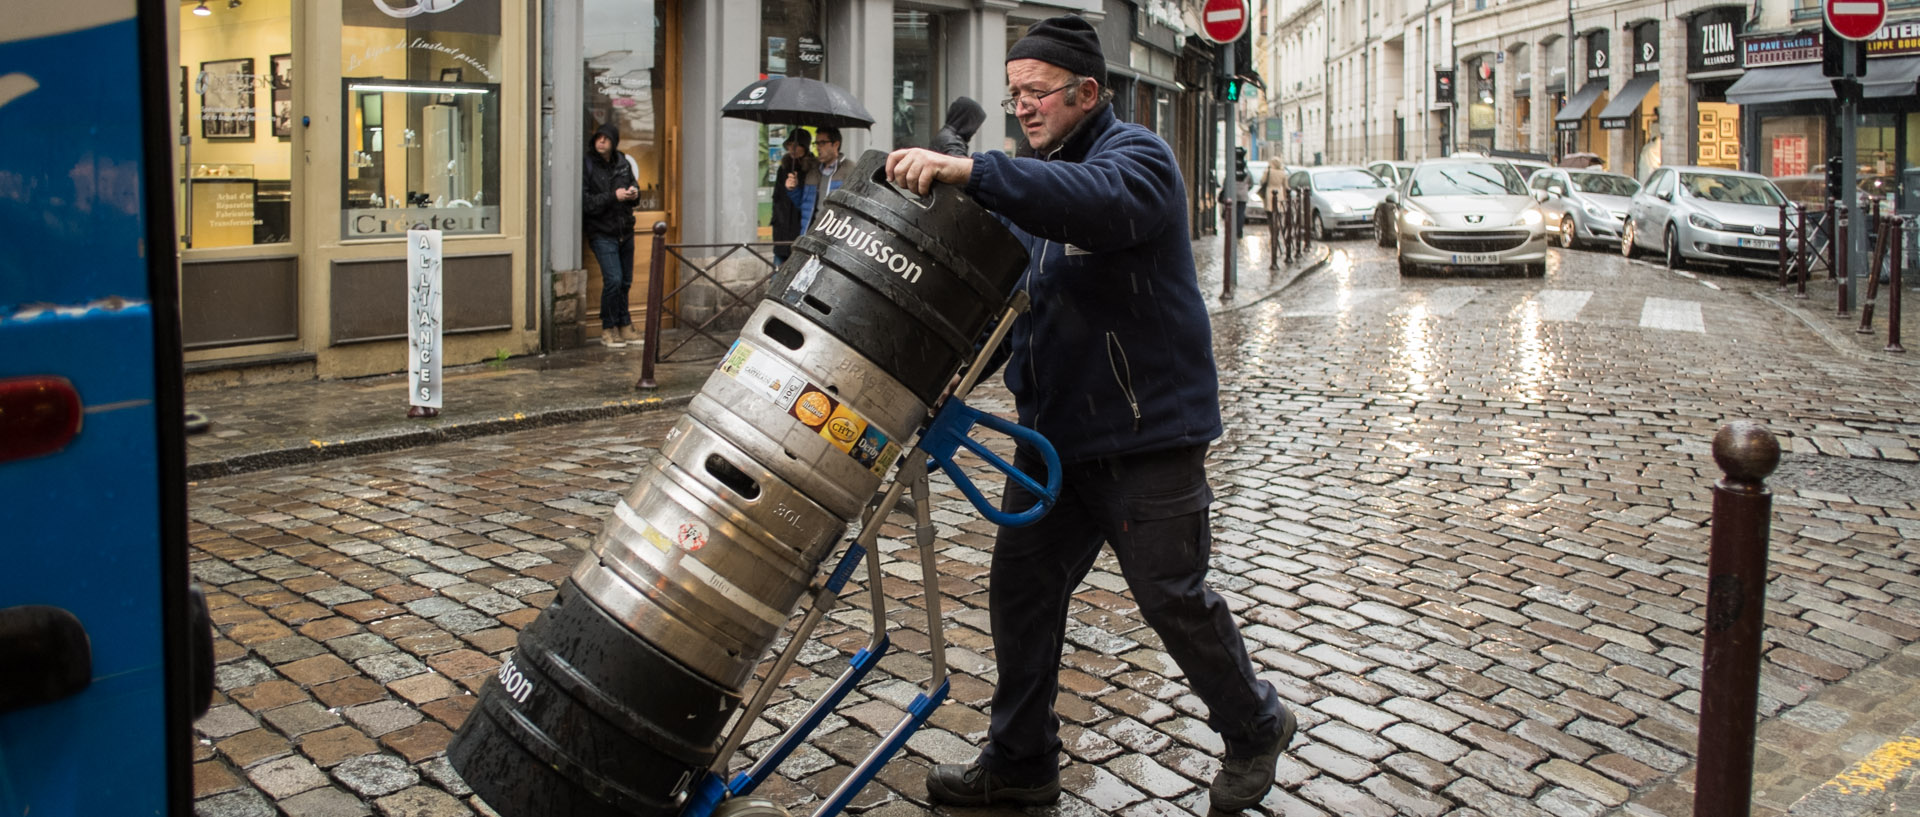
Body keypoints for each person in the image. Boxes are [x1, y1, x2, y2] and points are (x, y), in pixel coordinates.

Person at [883, 14, 1294, 813]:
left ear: (1088, 92)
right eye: (1015, 96)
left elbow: (1093, 203)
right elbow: (1007, 312)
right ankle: (1022, 761)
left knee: (1171, 594)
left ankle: (1255, 722)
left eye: (1037, 92)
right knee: (1021, 593)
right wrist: (941, 384)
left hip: (1147, 437)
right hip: (1053, 441)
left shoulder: (1134, 159)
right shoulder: (1028, 187)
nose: (1025, 108)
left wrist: (975, 169)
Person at [584, 123, 640, 349]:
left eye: (606, 139)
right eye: (598, 138)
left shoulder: (622, 162)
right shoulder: (588, 164)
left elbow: (633, 188)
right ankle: (608, 329)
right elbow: (587, 203)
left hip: (624, 230)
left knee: (625, 281)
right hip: (602, 232)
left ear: (614, 142)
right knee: (614, 280)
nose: (601, 142)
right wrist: (613, 196)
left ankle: (625, 326)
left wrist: (634, 194)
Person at [771, 129, 815, 266]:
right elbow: (777, 197)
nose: (792, 149)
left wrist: (796, 187)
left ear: (805, 146)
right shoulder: (784, 167)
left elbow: (808, 200)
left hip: (799, 225)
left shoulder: (812, 168)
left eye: (796, 145)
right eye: (790, 145)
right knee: (778, 270)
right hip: (782, 226)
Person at [796, 126, 854, 231]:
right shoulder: (813, 171)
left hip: (837, 235)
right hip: (813, 231)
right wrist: (793, 189)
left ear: (836, 144)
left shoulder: (850, 170)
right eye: (816, 143)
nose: (818, 147)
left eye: (822, 143)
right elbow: (803, 205)